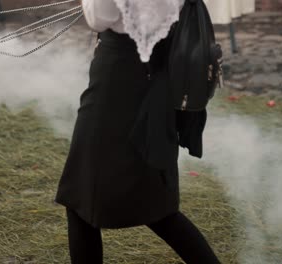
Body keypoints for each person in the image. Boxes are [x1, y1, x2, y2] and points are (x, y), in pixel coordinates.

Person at [55, 0, 221, 263]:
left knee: (81, 194)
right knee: (153, 202)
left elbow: (99, 17)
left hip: (120, 77)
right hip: (157, 67)